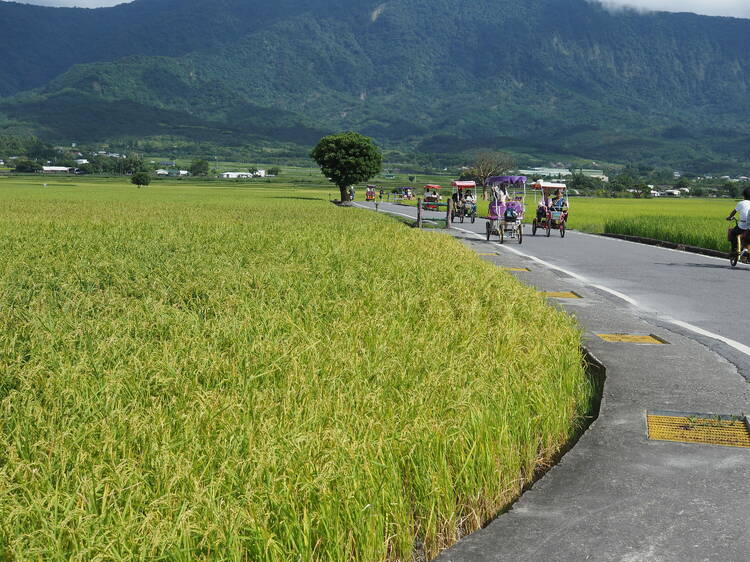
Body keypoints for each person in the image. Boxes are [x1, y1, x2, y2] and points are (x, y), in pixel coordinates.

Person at [727, 186, 750, 254]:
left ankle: (734, 249)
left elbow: (733, 212)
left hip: (743, 226)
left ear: (744, 195)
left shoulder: (741, 203)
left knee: (732, 233)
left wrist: (729, 217)